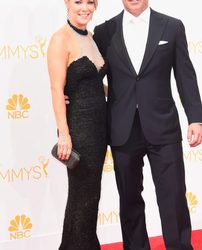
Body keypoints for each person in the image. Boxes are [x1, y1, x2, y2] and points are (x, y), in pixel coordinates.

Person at [93, 0, 202, 249]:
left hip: (163, 126)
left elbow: (185, 75)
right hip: (122, 129)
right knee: (129, 200)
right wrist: (70, 91)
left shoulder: (172, 27)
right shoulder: (104, 32)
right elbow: (92, 76)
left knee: (173, 197)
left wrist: (195, 118)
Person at [47, 0, 107, 249]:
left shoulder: (92, 37)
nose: (85, 8)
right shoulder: (60, 39)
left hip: (100, 128)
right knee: (81, 196)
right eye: (78, 1)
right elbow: (56, 89)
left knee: (90, 196)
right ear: (67, 3)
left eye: (90, 2)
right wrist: (64, 134)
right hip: (78, 129)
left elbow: (93, 84)